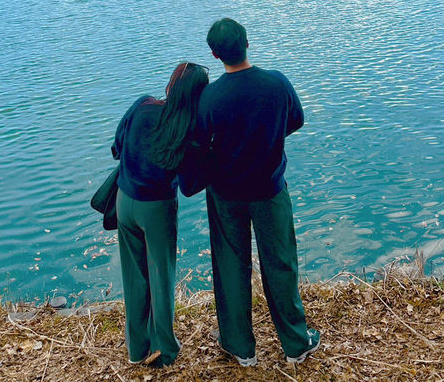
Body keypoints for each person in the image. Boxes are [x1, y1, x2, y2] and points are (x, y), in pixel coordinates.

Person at [197, 18, 320, 366]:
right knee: (280, 264)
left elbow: (200, 142)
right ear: (248, 43)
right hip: (269, 189)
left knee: (230, 266)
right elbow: (295, 121)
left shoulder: (210, 96)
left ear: (214, 53)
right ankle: (296, 344)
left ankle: (239, 346)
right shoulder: (276, 83)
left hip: (225, 194)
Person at [112, 62, 209, 367]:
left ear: (170, 85)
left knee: (134, 276)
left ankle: (136, 349)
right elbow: (192, 186)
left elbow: (117, 147)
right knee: (161, 277)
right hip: (156, 209)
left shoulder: (142, 105)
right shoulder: (187, 128)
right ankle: (163, 350)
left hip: (123, 199)